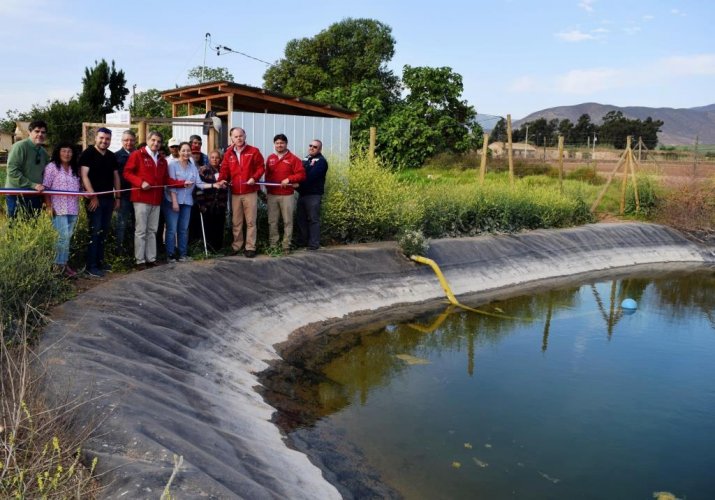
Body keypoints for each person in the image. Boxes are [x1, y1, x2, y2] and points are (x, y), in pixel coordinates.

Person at [124, 131, 190, 270]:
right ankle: (140, 261)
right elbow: (127, 173)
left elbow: (166, 179)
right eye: (153, 140)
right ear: (148, 140)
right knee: (141, 230)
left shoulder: (161, 159)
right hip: (141, 199)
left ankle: (151, 259)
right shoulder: (137, 154)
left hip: (156, 200)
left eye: (158, 141)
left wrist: (182, 183)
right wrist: (140, 182)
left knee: (152, 230)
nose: (156, 143)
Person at [79, 127, 121, 278]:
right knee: (94, 232)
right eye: (102, 138)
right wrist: (93, 196)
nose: (104, 141)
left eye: (107, 139)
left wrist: (118, 197)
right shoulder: (88, 154)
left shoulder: (111, 156)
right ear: (95, 138)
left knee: (103, 231)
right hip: (94, 201)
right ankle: (91, 266)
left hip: (109, 199)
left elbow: (116, 176)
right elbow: (84, 176)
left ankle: (100, 262)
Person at [163, 142, 215, 262]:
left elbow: (199, 184)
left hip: (187, 201)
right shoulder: (172, 164)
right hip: (172, 200)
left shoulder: (192, 167)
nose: (186, 153)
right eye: (183, 150)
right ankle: (170, 255)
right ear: (179, 151)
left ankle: (183, 254)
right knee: (171, 229)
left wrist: (214, 185)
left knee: (184, 229)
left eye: (188, 151)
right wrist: (175, 202)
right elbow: (171, 185)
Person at [218, 127, 264, 258]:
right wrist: (222, 180)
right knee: (236, 221)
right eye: (236, 136)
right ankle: (237, 246)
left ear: (245, 136)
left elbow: (261, 167)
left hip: (250, 191)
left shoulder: (254, 151)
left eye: (241, 136)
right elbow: (224, 170)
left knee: (250, 221)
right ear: (231, 138)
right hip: (235, 193)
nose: (239, 138)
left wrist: (254, 178)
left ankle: (250, 247)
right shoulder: (228, 153)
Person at [42, 143, 81, 278]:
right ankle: (58, 267)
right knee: (62, 238)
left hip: (73, 207)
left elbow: (79, 187)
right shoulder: (52, 167)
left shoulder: (74, 168)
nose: (67, 154)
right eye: (64, 151)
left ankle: (63, 264)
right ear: (58, 152)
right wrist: (48, 205)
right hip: (58, 208)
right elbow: (46, 187)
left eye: (69, 151)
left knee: (67, 238)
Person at [265, 134, 305, 252]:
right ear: (274, 144)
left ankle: (286, 245)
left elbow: (301, 174)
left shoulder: (293, 158)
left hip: (287, 195)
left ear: (286, 144)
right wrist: (267, 191)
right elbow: (267, 176)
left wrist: (289, 179)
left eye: (282, 143)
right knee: (272, 221)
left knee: (288, 221)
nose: (279, 145)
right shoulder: (270, 158)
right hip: (272, 195)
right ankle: (273, 245)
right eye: (277, 143)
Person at [5, 120, 48, 217]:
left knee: (33, 226)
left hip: (35, 194)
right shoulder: (20, 147)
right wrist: (32, 185)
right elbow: (12, 171)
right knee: (16, 226)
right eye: (37, 131)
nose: (40, 134)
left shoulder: (43, 153)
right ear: (29, 132)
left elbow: (47, 173)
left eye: (43, 132)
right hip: (17, 194)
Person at [194, 149, 229, 252]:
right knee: (208, 227)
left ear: (221, 159)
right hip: (207, 203)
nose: (215, 160)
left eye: (217, 158)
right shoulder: (203, 170)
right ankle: (209, 249)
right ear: (209, 159)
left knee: (219, 226)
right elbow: (199, 188)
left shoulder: (224, 170)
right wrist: (201, 204)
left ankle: (218, 249)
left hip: (220, 203)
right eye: (212, 157)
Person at [297, 139, 328, 250]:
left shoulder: (321, 161)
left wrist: (297, 184)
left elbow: (310, 177)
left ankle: (314, 244)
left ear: (319, 149)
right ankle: (302, 242)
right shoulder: (306, 158)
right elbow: (299, 172)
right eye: (310, 145)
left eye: (315, 147)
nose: (311, 148)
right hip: (302, 194)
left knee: (313, 219)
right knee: (301, 219)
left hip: (313, 195)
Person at [114, 129, 136, 255]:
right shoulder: (116, 156)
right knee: (121, 225)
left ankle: (133, 252)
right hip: (123, 196)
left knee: (136, 225)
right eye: (126, 140)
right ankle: (119, 253)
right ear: (122, 141)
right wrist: (117, 196)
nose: (129, 142)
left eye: (131, 140)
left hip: (138, 196)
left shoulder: (139, 154)